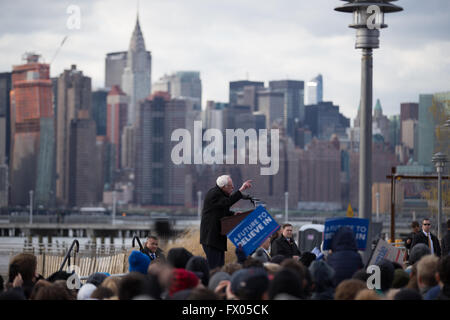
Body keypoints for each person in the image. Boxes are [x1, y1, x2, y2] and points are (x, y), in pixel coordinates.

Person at [200, 175, 252, 269]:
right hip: (211, 239)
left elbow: (220, 211)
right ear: (224, 187)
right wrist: (241, 189)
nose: (233, 187)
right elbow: (227, 202)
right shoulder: (214, 194)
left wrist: (233, 214)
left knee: (220, 266)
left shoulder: (220, 194)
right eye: (231, 186)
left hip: (217, 239)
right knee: (215, 268)